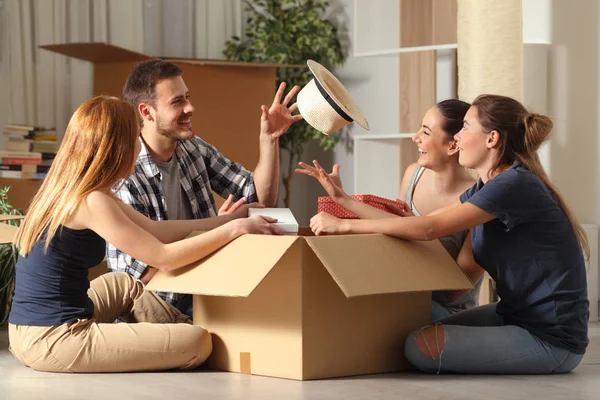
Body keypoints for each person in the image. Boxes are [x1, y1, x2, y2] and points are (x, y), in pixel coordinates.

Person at [307, 94, 589, 374]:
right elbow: (425, 222)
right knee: (403, 322)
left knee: (416, 347)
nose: (459, 137)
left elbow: (429, 230)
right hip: (512, 316)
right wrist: (344, 201)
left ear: (491, 139)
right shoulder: (488, 186)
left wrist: (345, 225)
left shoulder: (513, 184)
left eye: (465, 127)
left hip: (551, 340)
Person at [8, 96, 284, 373]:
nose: (139, 144)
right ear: (117, 147)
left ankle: (161, 333)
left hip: (29, 327)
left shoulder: (78, 190)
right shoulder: (93, 202)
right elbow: (164, 258)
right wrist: (234, 230)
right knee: (198, 342)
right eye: (134, 137)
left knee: (123, 283)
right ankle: (174, 334)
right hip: (55, 338)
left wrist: (227, 220)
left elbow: (155, 230)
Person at [107, 59, 302, 314]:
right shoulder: (125, 175)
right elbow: (138, 275)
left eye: (187, 97)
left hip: (208, 289)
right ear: (147, 112)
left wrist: (269, 140)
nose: (190, 107)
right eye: (177, 102)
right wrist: (219, 230)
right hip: (159, 306)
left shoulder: (193, 148)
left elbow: (260, 200)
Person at [297, 99, 484, 321]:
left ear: (453, 145)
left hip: (446, 311)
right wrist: (342, 199)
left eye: (425, 132)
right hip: (402, 292)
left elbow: (457, 288)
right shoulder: (413, 174)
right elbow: (394, 226)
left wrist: (408, 239)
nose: (415, 138)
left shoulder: (479, 201)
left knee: (360, 310)